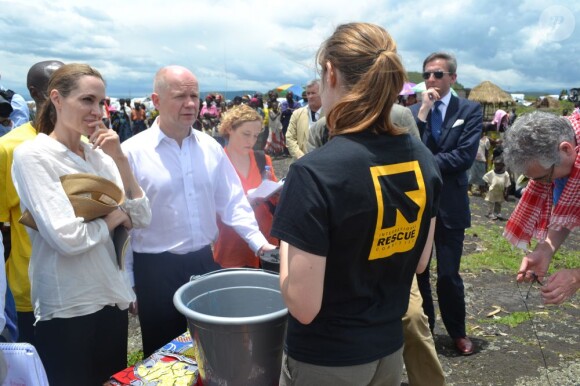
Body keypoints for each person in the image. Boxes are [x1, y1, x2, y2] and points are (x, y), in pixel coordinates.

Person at [271, 22, 442, 386]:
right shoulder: (423, 159)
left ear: (330, 74)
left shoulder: (313, 172)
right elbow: (421, 260)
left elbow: (303, 306)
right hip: (388, 352)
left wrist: (287, 238)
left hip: (327, 360)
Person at [121, 65, 276, 357]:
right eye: (180, 96)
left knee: (212, 350)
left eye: (195, 95)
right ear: (156, 101)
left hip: (203, 263)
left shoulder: (210, 148)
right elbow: (125, 225)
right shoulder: (131, 153)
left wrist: (260, 244)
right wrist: (128, 280)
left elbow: (232, 201)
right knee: (163, 355)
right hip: (154, 269)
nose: (191, 104)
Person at [11, 63, 151, 385]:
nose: (97, 111)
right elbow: (67, 238)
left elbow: (142, 216)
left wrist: (121, 160)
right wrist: (114, 217)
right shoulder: (34, 155)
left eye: (101, 102)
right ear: (57, 99)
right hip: (68, 303)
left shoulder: (101, 156)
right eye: (87, 100)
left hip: (110, 296)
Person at [307, 106, 445, 386]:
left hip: (394, 246)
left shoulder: (400, 116)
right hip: (347, 250)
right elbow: (314, 171)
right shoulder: (322, 125)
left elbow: (417, 168)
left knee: (415, 321)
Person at [409, 51, 482, 355]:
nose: (431, 79)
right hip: (419, 205)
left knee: (449, 274)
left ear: (453, 77)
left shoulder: (470, 109)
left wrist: (425, 163)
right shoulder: (413, 113)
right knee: (420, 272)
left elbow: (463, 157)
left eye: (438, 74)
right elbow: (408, 151)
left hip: (450, 205)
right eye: (426, 74)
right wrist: (423, 114)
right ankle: (426, 331)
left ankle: (457, 331)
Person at [0, 60, 65, 346]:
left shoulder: (82, 141)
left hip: (78, 285)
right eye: (57, 86)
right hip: (30, 289)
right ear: (36, 93)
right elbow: (3, 228)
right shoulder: (9, 148)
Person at [503, 111, 580, 305]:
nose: (544, 184)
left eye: (545, 178)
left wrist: (576, 277)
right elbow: (566, 210)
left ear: (566, 149)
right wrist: (545, 249)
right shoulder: (563, 163)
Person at [213, 104, 280, 268]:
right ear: (229, 129)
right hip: (232, 244)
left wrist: (278, 192)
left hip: (267, 240)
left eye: (256, 136)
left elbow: (276, 198)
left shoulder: (262, 159)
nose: (251, 141)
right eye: (246, 134)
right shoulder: (216, 162)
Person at [285, 79, 323, 160]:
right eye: (308, 93)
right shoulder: (297, 114)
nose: (309, 96)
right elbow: (290, 137)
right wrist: (300, 156)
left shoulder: (330, 114)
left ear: (322, 93)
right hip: (301, 163)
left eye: (313, 93)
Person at [468, 127, 491, 196]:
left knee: (482, 176)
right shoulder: (474, 138)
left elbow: (487, 151)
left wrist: (486, 162)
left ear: (483, 132)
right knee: (471, 175)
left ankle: (482, 190)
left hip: (482, 160)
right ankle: (469, 189)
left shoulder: (486, 140)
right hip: (473, 160)